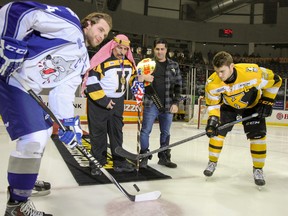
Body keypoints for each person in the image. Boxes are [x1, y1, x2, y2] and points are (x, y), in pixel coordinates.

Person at [0, 1, 112, 215]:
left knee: (43, 133)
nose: (101, 36)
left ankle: (24, 180)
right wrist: (8, 41)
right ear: (88, 23)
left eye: (105, 35)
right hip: (10, 77)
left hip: (26, 86)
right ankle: (17, 205)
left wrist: (68, 123)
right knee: (33, 138)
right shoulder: (69, 22)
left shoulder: (82, 61)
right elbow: (21, 10)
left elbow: (63, 92)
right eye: (100, 29)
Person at [203, 51, 282, 186]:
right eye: (217, 72)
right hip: (228, 107)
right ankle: (212, 162)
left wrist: (267, 101)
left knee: (258, 137)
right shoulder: (212, 83)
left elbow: (276, 80)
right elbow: (213, 104)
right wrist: (212, 121)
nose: (220, 76)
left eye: (222, 71)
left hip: (252, 106)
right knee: (216, 134)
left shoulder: (252, 72)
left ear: (232, 66)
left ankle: (258, 170)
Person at [82, 34, 138, 175]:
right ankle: (97, 162)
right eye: (119, 48)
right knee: (98, 134)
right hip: (99, 102)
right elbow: (91, 81)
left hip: (118, 101)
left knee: (116, 132)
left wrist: (140, 79)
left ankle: (119, 162)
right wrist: (104, 101)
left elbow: (130, 80)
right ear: (113, 46)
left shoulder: (129, 63)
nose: (122, 52)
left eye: (125, 49)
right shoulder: (102, 61)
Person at [139, 38, 182, 169]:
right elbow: (136, 81)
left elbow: (179, 86)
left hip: (168, 104)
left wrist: (176, 103)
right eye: (157, 49)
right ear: (154, 50)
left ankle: (163, 157)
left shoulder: (174, 65)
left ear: (166, 50)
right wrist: (141, 77)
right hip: (150, 103)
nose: (160, 51)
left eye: (162, 49)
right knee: (145, 131)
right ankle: (144, 156)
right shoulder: (147, 64)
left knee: (166, 132)